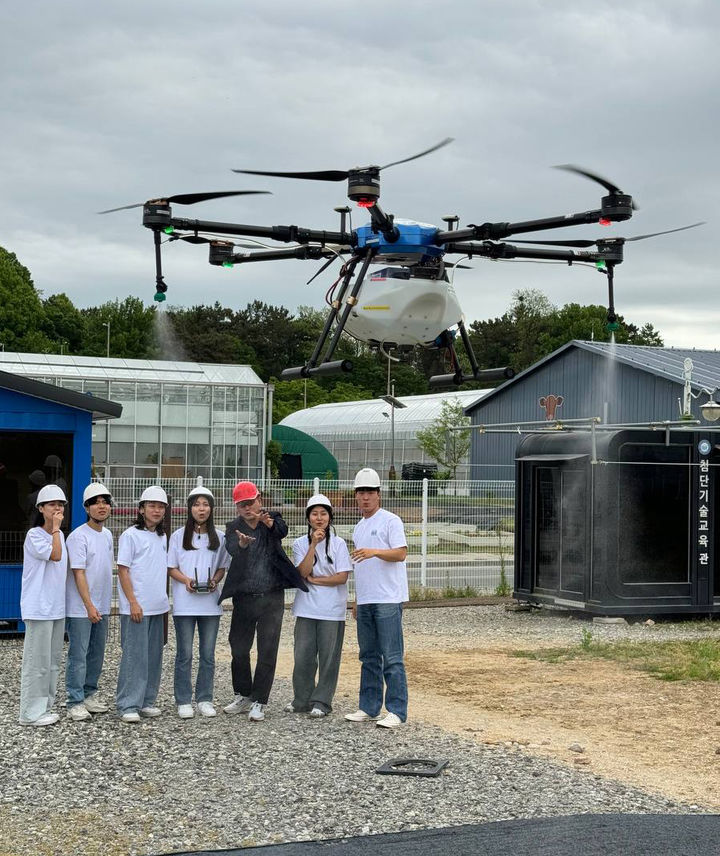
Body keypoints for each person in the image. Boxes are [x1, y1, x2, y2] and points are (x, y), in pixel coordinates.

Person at [221, 481, 306, 723]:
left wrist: (269, 524)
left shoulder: (272, 519)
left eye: (250, 502)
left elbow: (282, 531)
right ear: (237, 507)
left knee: (267, 649)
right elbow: (231, 548)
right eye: (242, 505)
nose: (248, 508)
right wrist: (241, 544)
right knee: (238, 648)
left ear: (259, 500)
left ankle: (260, 700)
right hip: (244, 597)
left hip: (271, 597)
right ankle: (243, 694)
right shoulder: (233, 527)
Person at [345, 467, 409, 729]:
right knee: (368, 656)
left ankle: (396, 710)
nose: (366, 497)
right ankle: (369, 707)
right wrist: (357, 600)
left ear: (378, 495)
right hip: (368, 599)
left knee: (392, 656)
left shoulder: (391, 521)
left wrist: (375, 551)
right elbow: (361, 568)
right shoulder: (359, 528)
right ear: (356, 496)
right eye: (361, 492)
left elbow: (400, 553)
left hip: (388, 598)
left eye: (370, 492)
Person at [167, 482, 229, 719]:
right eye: (196, 505)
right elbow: (171, 567)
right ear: (189, 508)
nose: (201, 509)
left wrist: (214, 580)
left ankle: (205, 698)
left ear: (212, 509)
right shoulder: (177, 536)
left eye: (205, 505)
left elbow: (222, 567)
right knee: (184, 653)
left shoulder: (220, 537)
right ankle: (183, 700)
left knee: (208, 654)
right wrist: (186, 581)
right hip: (185, 604)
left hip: (210, 605)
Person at [287, 493, 351, 717]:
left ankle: (322, 701)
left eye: (324, 514)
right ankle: (301, 699)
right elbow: (302, 573)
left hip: (332, 610)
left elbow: (342, 576)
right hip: (306, 608)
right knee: (303, 655)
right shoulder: (299, 543)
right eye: (314, 514)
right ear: (308, 518)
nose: (319, 518)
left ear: (330, 517)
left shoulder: (340, 544)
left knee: (328, 657)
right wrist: (313, 544)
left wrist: (317, 580)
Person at [115, 485, 170, 723]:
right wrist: (133, 602)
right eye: (152, 506)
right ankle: (128, 703)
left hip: (158, 605)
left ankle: (147, 700)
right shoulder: (130, 535)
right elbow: (123, 570)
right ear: (141, 509)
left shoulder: (162, 536)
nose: (156, 511)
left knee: (153, 656)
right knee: (134, 656)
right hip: (136, 607)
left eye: (161, 507)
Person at [18, 485, 68, 726]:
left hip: (57, 607)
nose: (58, 508)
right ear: (41, 508)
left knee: (52, 662)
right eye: (52, 504)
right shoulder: (35, 535)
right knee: (36, 662)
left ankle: (45, 707)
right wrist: (56, 529)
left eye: (61, 504)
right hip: (39, 607)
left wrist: (58, 532)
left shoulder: (61, 536)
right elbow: (55, 555)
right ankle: (29, 713)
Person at [64, 483, 115, 721]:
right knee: (79, 653)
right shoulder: (77, 537)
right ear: (87, 507)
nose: (101, 506)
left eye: (105, 501)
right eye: (96, 502)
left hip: (101, 604)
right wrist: (89, 606)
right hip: (80, 607)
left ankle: (89, 694)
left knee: (96, 652)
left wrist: (100, 605)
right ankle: (74, 700)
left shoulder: (107, 535)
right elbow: (79, 573)